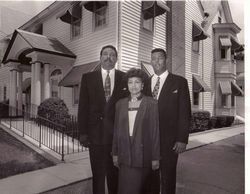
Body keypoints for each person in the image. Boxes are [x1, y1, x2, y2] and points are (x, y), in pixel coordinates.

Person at [78, 45, 128, 194]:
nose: (108, 57)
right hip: (95, 136)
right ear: (100, 58)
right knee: (98, 176)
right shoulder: (88, 78)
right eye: (105, 54)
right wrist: (83, 133)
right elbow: (83, 107)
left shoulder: (124, 78)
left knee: (115, 175)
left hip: (116, 136)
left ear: (116, 59)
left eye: (112, 55)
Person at [144, 48, 191, 194]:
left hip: (169, 141)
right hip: (147, 140)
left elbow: (184, 112)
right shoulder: (144, 83)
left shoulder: (179, 82)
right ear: (150, 61)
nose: (156, 61)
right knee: (149, 178)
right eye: (153, 58)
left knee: (168, 178)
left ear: (167, 60)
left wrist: (182, 139)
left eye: (160, 58)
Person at [112, 68, 160, 194]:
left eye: (137, 82)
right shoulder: (120, 104)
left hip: (143, 155)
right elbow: (116, 132)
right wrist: (115, 153)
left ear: (143, 85)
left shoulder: (152, 104)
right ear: (127, 85)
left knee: (141, 189)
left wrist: (155, 157)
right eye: (130, 82)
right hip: (124, 155)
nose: (133, 86)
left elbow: (155, 133)